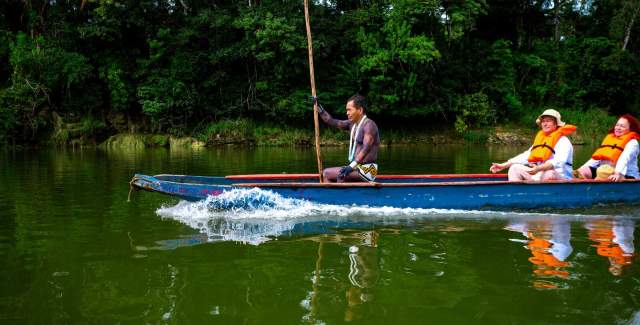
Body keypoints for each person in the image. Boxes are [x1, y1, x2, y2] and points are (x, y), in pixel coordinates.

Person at [489, 109, 576, 181]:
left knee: (549, 172)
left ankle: (541, 195)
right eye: (543, 121)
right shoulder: (541, 140)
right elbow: (526, 155)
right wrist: (504, 165)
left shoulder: (564, 142)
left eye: (548, 121)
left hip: (560, 177)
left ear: (556, 124)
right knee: (514, 168)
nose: (545, 124)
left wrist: (539, 168)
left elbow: (558, 162)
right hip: (538, 175)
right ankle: (518, 195)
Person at [313, 95, 380, 182]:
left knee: (327, 173)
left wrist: (351, 167)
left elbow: (366, 148)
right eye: (346, 110)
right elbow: (331, 121)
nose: (347, 113)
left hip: (368, 170)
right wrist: (319, 107)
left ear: (360, 110)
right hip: (357, 167)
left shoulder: (369, 125)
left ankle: (334, 195)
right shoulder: (352, 124)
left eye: (349, 110)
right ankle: (337, 194)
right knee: (337, 175)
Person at [575, 114, 640, 181]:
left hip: (625, 174)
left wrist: (617, 173)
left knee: (604, 175)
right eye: (617, 125)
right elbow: (596, 159)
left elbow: (624, 158)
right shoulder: (610, 139)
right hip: (603, 172)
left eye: (622, 126)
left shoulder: (632, 143)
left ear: (631, 129)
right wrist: (579, 169)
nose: (618, 128)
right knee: (582, 172)